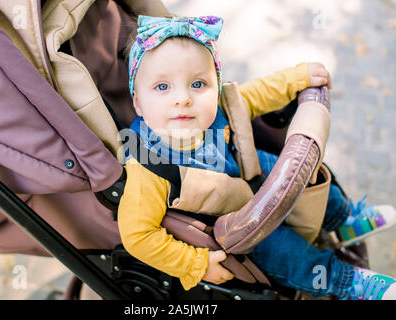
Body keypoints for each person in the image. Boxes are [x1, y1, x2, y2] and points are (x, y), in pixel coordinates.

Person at [117, 15, 396, 299]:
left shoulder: (218, 108)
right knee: (286, 253)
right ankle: (347, 282)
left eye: (198, 84)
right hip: (233, 223)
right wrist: (196, 264)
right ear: (137, 102)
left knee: (299, 169)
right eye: (163, 87)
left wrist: (299, 77)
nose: (183, 99)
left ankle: (342, 219)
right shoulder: (148, 167)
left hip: (247, 173)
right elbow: (138, 236)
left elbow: (259, 93)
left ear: (216, 86)